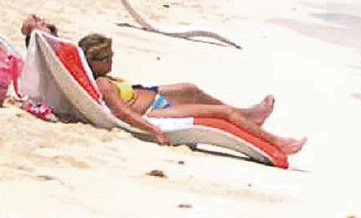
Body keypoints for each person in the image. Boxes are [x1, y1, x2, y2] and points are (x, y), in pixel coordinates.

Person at [78, 34, 306, 155]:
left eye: (111, 55)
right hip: (154, 113)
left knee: (190, 89)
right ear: (90, 61)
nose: (111, 61)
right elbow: (123, 112)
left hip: (152, 98)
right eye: (105, 58)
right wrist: (153, 129)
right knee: (223, 114)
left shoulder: (106, 78)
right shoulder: (102, 84)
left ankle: (250, 114)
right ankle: (277, 141)